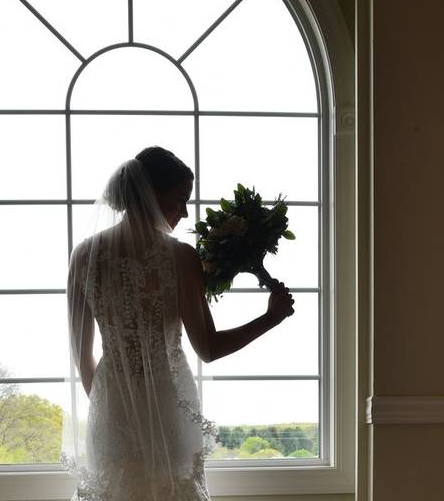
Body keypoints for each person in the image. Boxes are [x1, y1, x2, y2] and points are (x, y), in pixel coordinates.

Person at [65, 146, 295, 501]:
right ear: (151, 196)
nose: (185, 213)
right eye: (178, 200)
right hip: (168, 400)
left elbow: (82, 356)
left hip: (110, 410)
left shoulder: (84, 256)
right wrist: (270, 318)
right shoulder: (180, 257)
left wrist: (110, 407)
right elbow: (209, 348)